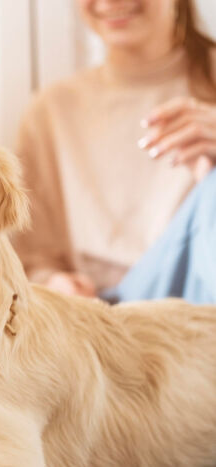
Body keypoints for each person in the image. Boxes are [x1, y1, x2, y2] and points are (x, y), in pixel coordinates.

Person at [14, 0, 215, 304]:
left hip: (196, 302)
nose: (109, 2)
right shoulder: (52, 110)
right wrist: (54, 284)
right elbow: (32, 258)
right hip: (104, 315)